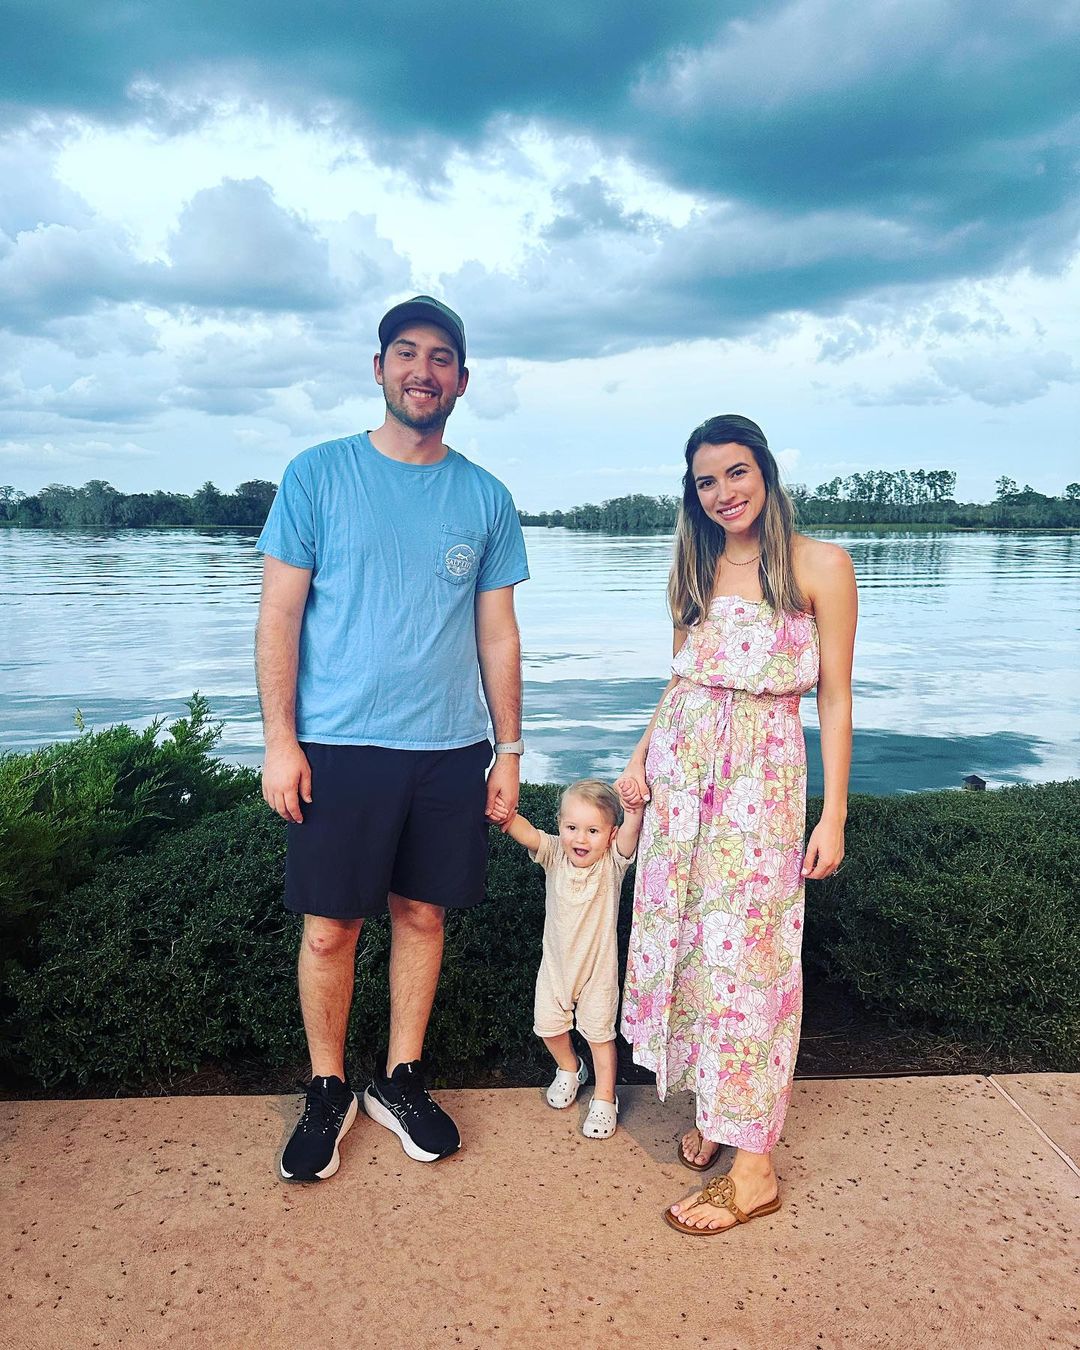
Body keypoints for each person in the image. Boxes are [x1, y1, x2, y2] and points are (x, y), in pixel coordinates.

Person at [255, 296, 529, 1182]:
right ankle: (329, 1087)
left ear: (462, 379)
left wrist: (510, 749)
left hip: (449, 750)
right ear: (378, 369)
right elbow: (280, 615)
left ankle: (399, 1077)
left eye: (442, 356)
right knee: (331, 929)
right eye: (406, 353)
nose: (424, 370)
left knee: (423, 915)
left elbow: (497, 634)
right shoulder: (318, 475)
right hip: (336, 744)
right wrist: (279, 741)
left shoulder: (485, 497)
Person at [616, 414, 856, 1234]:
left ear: (767, 473)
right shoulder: (693, 567)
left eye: (736, 473)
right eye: (706, 481)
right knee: (692, 950)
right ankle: (721, 1111)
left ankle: (754, 1167)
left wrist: (835, 813)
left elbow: (834, 698)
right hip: (682, 784)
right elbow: (681, 679)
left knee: (751, 962)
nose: (723, 493)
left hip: (761, 787)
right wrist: (639, 755)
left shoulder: (823, 565)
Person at [492, 780, 643, 1139]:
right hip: (556, 968)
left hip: (597, 973)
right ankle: (570, 1068)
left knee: (600, 1035)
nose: (580, 839)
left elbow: (630, 837)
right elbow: (529, 835)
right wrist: (507, 818)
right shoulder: (556, 853)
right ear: (560, 825)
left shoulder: (612, 864)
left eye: (593, 830)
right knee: (548, 1026)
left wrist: (634, 811)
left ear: (610, 835)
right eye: (571, 827)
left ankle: (606, 1097)